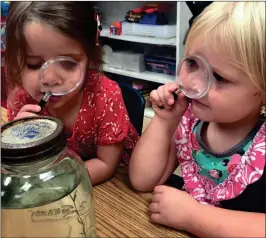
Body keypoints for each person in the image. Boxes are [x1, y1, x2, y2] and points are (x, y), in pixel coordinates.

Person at [129, 2, 265, 237]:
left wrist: (193, 216)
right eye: (192, 63)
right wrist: (164, 122)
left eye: (220, 77)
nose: (194, 84)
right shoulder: (189, 120)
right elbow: (143, 181)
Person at [5, 2, 139, 185]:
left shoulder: (106, 96)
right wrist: (19, 145)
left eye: (67, 63)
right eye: (33, 64)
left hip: (114, 186)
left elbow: (106, 164)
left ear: (91, 55)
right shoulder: (21, 99)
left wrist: (56, 184)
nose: (50, 78)